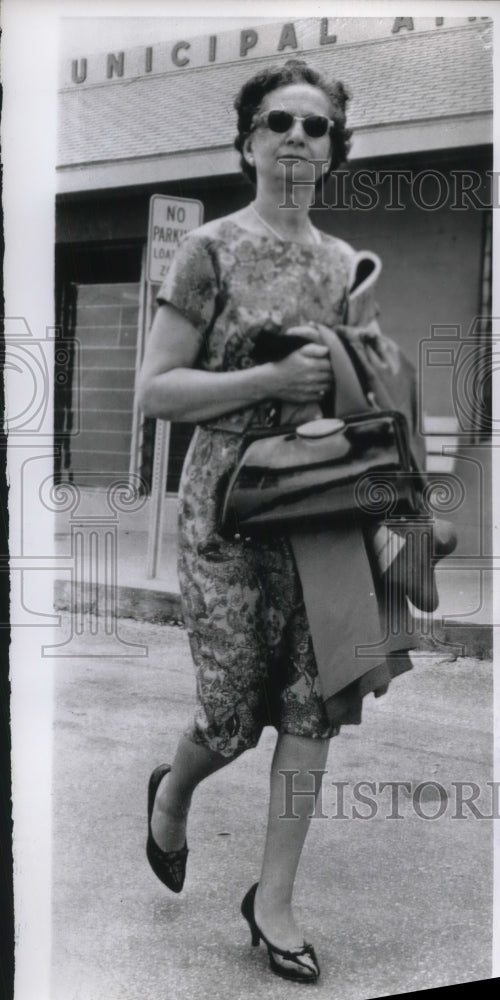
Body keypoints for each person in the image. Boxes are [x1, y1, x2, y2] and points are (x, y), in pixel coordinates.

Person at [137, 58, 409, 985]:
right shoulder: (208, 249)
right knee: (228, 718)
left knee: (311, 710)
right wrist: (266, 381)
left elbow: (363, 401)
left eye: (316, 126)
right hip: (227, 509)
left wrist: (387, 504)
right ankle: (170, 797)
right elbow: (157, 389)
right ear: (248, 139)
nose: (298, 137)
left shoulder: (344, 267)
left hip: (320, 512)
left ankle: (275, 901)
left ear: (334, 150)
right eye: (278, 122)